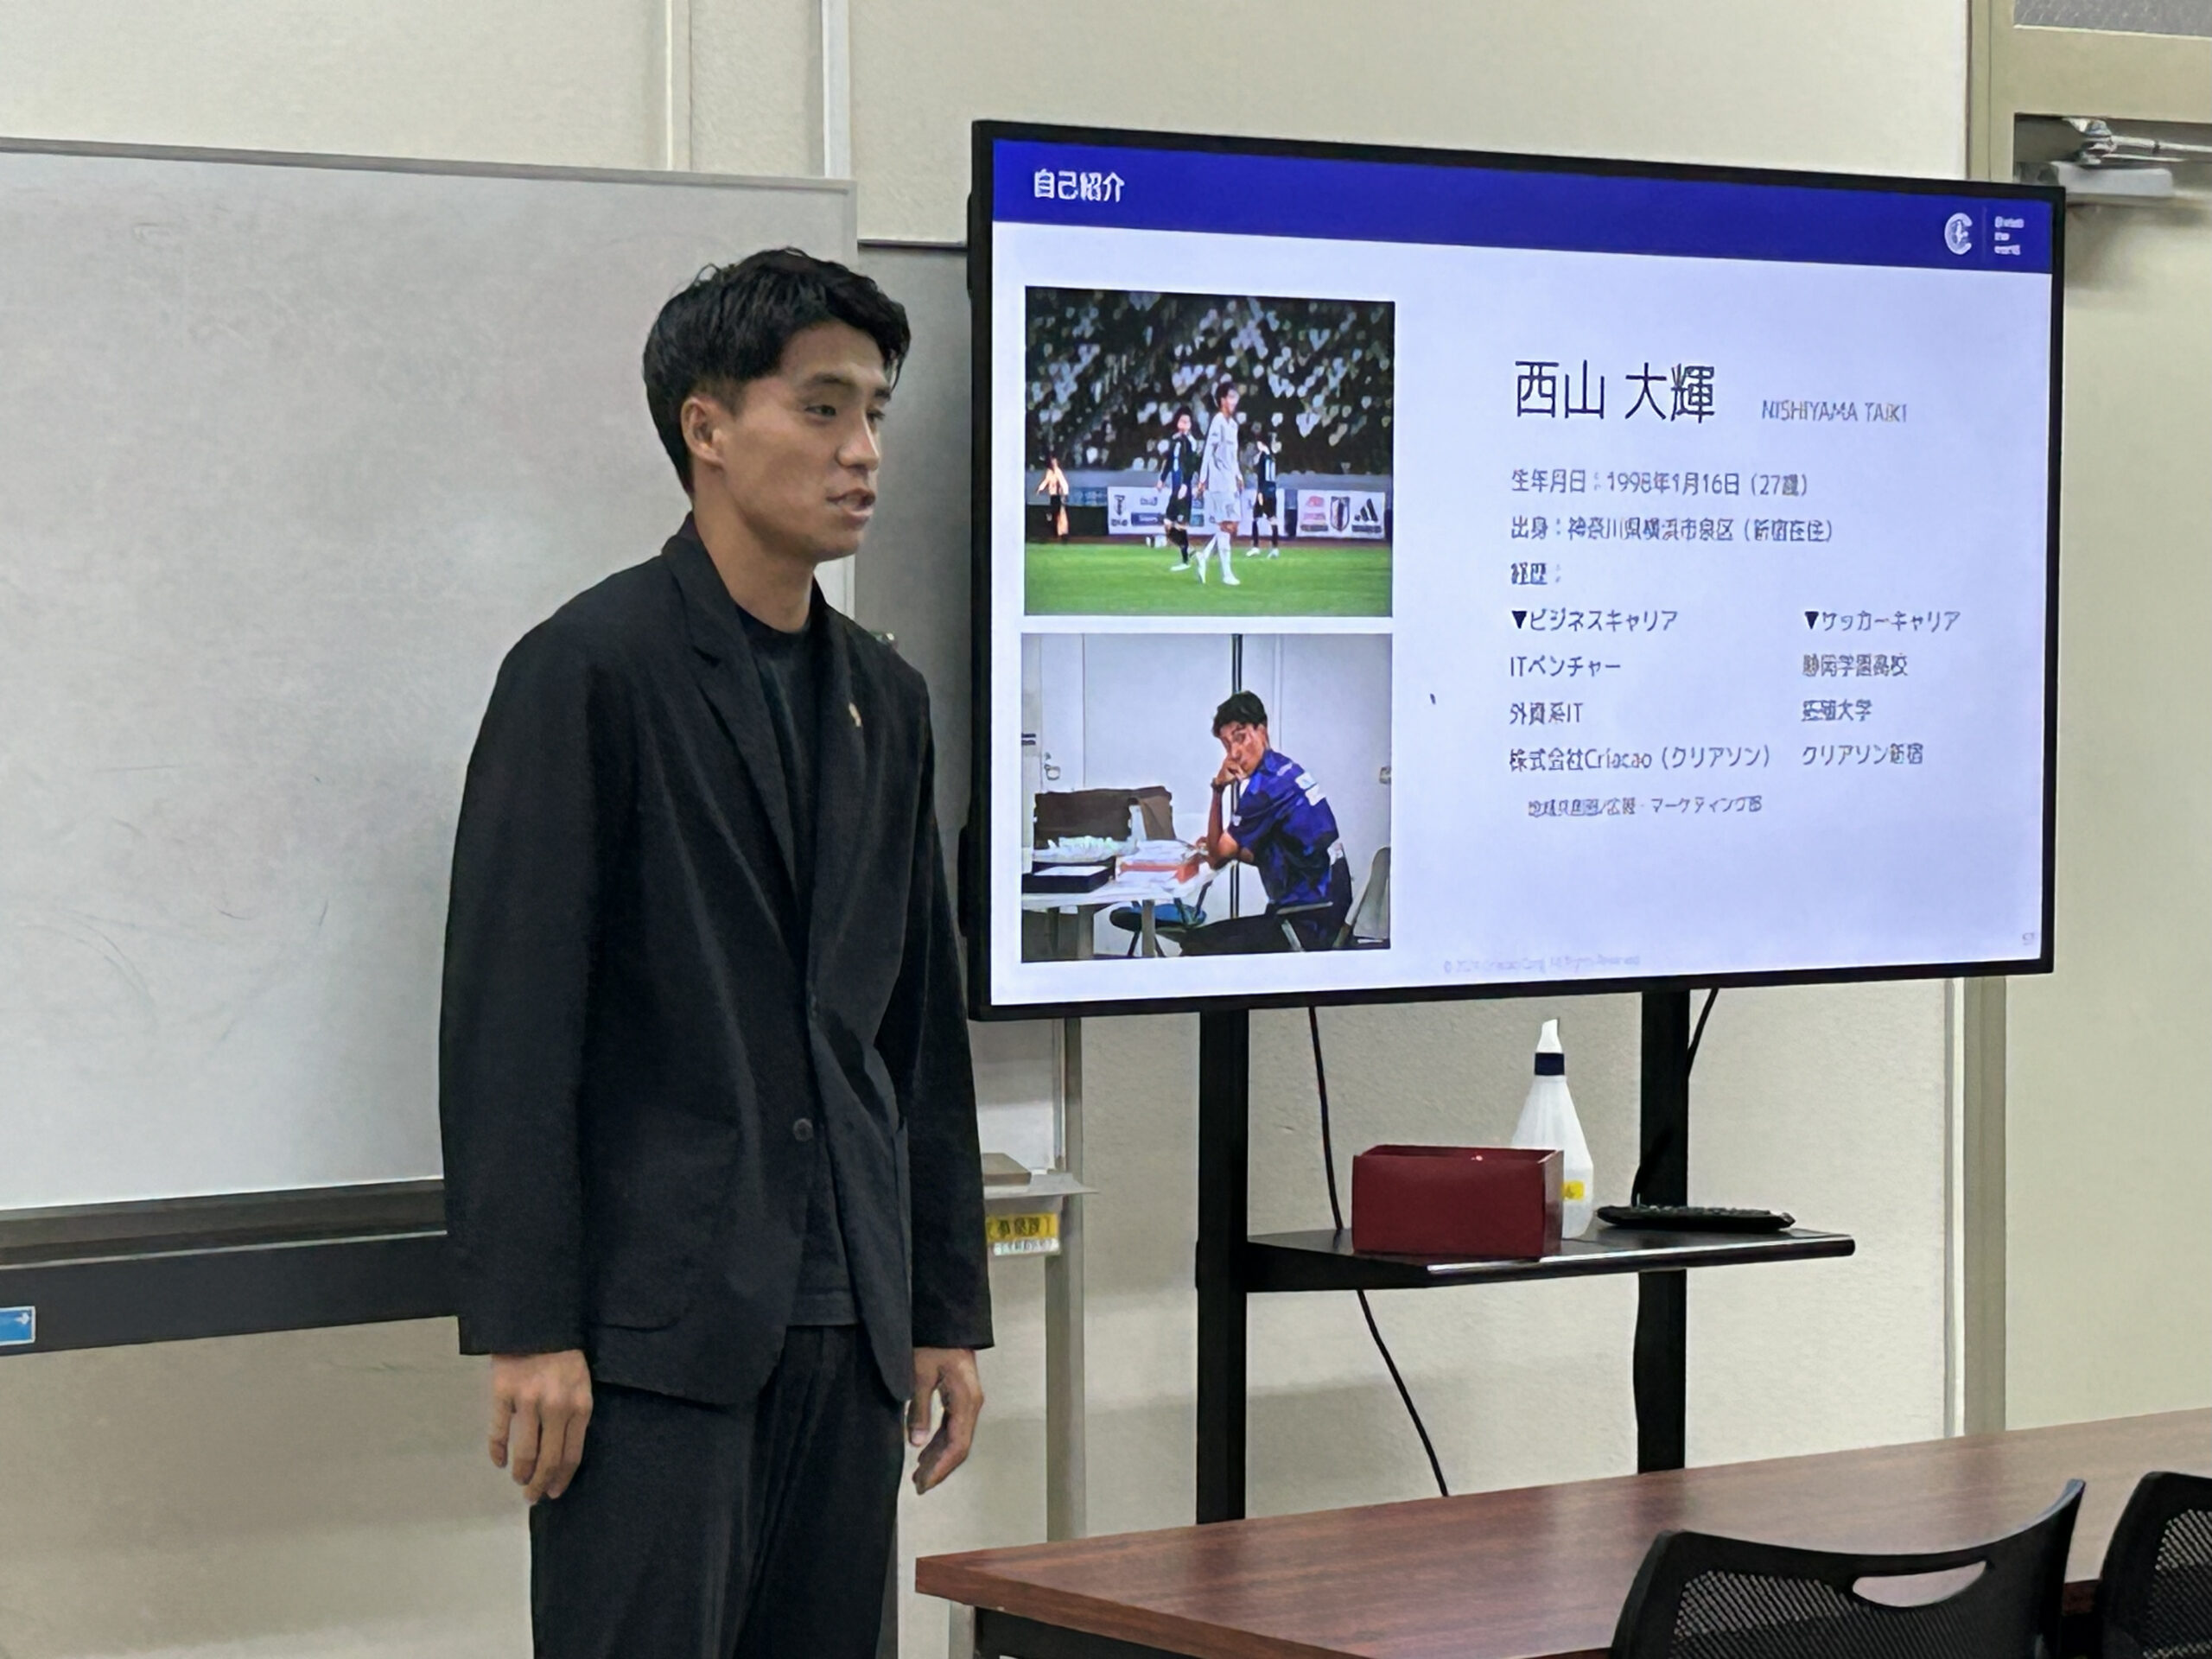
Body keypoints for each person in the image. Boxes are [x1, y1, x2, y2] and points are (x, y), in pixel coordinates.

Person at [439, 247, 990, 1659]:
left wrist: (942, 1306)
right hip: (653, 1333)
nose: (864, 451)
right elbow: (512, 1024)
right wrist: (529, 1327)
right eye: (822, 409)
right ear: (708, 428)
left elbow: (915, 1032)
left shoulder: (887, 700)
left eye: (875, 413)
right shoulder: (587, 670)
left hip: (850, 1325)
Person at [1178, 690, 1352, 955]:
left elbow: (1216, 858)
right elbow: (1276, 850)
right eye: (1226, 745)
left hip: (1305, 924)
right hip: (1328, 911)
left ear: (1262, 729)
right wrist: (1228, 848)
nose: (1234, 753)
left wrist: (1218, 789)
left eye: (1240, 737)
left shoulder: (1265, 788)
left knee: (1195, 944)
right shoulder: (1285, 769)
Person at [1194, 378, 1243, 586]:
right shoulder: (1218, 421)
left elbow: (1233, 456)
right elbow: (1208, 451)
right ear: (1222, 400)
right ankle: (1226, 574)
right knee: (1225, 526)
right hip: (1218, 481)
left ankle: (1204, 556)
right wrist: (1202, 479)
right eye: (1230, 397)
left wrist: (1239, 475)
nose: (1234, 401)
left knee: (1233, 526)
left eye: (1235, 397)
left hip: (1230, 481)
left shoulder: (1233, 425)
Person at [1158, 407, 1199, 570]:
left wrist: (1185, 484)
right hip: (1175, 489)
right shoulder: (1175, 440)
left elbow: (1191, 465)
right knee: (1167, 524)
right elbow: (1169, 462)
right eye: (1182, 421)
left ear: (1190, 425)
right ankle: (1190, 551)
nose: (1184, 424)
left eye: (1187, 422)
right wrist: (1162, 479)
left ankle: (1185, 560)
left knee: (1181, 525)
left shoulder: (1191, 442)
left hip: (1184, 489)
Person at [1246, 433, 1282, 556]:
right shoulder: (1272, 456)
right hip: (1272, 491)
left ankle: (1256, 547)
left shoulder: (1262, 456)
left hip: (1263, 491)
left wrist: (1260, 492)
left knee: (1255, 518)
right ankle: (1275, 548)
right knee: (1273, 519)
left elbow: (1261, 475)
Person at [1039, 452, 1071, 543]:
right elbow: (1046, 481)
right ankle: (1054, 533)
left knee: (1060, 515)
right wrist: (1041, 488)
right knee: (1053, 514)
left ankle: (1063, 534)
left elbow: (1064, 483)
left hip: (1058, 496)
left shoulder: (1058, 472)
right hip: (1053, 496)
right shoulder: (1050, 472)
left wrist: (1065, 494)